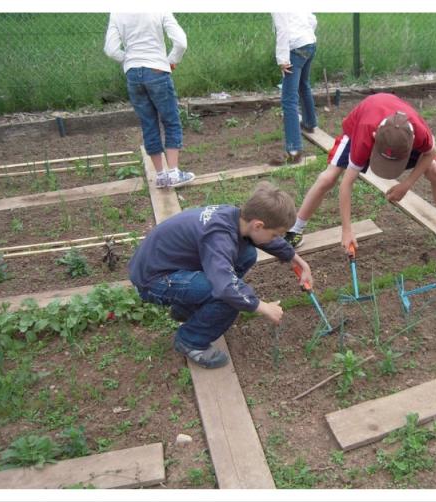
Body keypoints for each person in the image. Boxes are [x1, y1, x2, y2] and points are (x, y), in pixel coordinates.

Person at [128, 182, 313, 368]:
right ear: (258, 225)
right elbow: (226, 288)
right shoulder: (219, 237)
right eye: (275, 235)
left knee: (246, 254)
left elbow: (263, 240)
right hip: (153, 280)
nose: (275, 239)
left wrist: (298, 261)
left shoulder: (235, 217)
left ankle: (187, 310)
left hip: (165, 265)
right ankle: (190, 340)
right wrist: (263, 307)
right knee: (229, 297)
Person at [284, 93, 436, 251]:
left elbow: (429, 153)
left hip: (396, 134)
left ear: (411, 144)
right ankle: (295, 230)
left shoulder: (420, 131)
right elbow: (346, 184)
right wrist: (347, 230)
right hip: (358, 129)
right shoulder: (365, 136)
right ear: (375, 141)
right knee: (328, 178)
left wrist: (406, 185)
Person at [104, 13, 195, 188]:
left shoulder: (117, 11)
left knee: (148, 123)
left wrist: (130, 59)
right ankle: (174, 173)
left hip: (132, 73)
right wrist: (171, 60)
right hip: (157, 69)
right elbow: (181, 42)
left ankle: (161, 176)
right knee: (171, 121)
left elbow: (111, 49)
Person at [270, 13, 318, 166]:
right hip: (309, 43)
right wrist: (306, 36)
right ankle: (310, 123)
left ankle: (294, 149)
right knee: (304, 84)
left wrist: (282, 59)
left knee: (289, 99)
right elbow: (312, 19)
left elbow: (283, 30)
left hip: (296, 48)